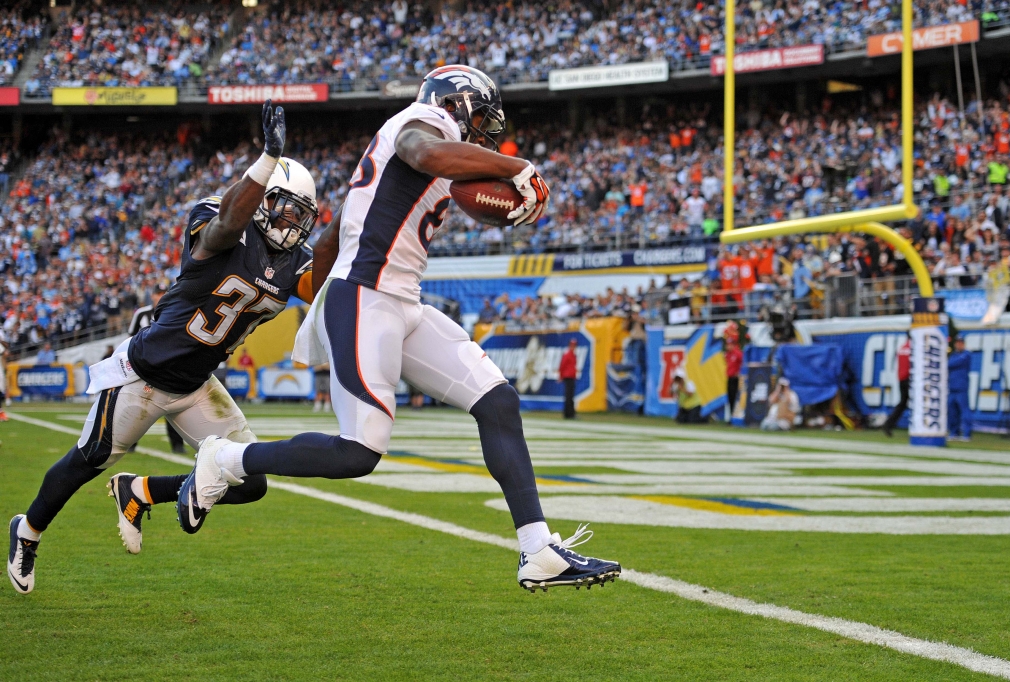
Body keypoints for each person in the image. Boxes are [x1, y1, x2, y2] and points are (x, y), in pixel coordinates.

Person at [177, 66, 620, 593]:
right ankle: (224, 457)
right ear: (455, 103)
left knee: (498, 401)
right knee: (358, 453)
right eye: (480, 117)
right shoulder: (420, 120)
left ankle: (538, 550)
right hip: (367, 295)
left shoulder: (400, 150)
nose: (484, 133)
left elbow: (329, 242)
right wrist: (517, 166)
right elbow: (425, 152)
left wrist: (326, 298)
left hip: (397, 301)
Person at [8, 100, 338, 595]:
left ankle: (141, 491)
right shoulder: (219, 218)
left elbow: (324, 282)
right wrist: (267, 158)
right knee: (88, 458)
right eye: (286, 208)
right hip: (145, 374)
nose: (293, 222)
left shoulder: (296, 260)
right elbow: (226, 225)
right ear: (264, 195)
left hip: (197, 384)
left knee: (252, 480)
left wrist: (356, 213)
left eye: (302, 215)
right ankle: (27, 532)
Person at [126, 282, 185, 454]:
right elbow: (131, 339)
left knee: (172, 406)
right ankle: (131, 443)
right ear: (152, 295)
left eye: (162, 293)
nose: (159, 296)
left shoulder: (175, 312)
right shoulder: (142, 314)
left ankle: (177, 444)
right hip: (145, 366)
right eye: (157, 293)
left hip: (168, 366)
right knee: (139, 407)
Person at [883, 333, 911, 437]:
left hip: (901, 379)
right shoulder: (914, 348)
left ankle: (888, 424)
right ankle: (918, 427)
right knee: (917, 403)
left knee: (903, 403)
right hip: (909, 379)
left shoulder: (902, 347)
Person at [948, 336, 972, 442]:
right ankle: (954, 432)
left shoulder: (965, 355)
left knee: (964, 411)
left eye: (961, 342)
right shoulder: (953, 355)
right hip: (952, 387)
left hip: (961, 388)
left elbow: (950, 364)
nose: (959, 344)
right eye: (957, 342)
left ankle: (967, 434)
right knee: (952, 411)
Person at [558, 338, 579, 419]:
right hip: (568, 377)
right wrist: (561, 376)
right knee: (568, 396)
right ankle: (568, 414)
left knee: (570, 396)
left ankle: (570, 414)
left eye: (575, 345)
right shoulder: (567, 354)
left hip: (572, 377)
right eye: (572, 345)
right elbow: (562, 365)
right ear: (570, 345)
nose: (573, 347)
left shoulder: (573, 355)